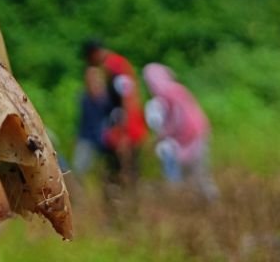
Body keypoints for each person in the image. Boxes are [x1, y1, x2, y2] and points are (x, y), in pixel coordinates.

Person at [143, 62, 218, 200]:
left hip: (195, 135)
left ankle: (212, 203)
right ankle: (198, 208)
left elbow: (179, 118)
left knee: (199, 174)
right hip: (191, 136)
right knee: (190, 176)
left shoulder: (171, 92)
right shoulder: (169, 94)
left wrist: (163, 135)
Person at [82, 38, 148, 184]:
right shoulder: (115, 65)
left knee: (124, 172)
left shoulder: (115, 66)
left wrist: (124, 132)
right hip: (124, 126)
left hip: (127, 128)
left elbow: (127, 98)